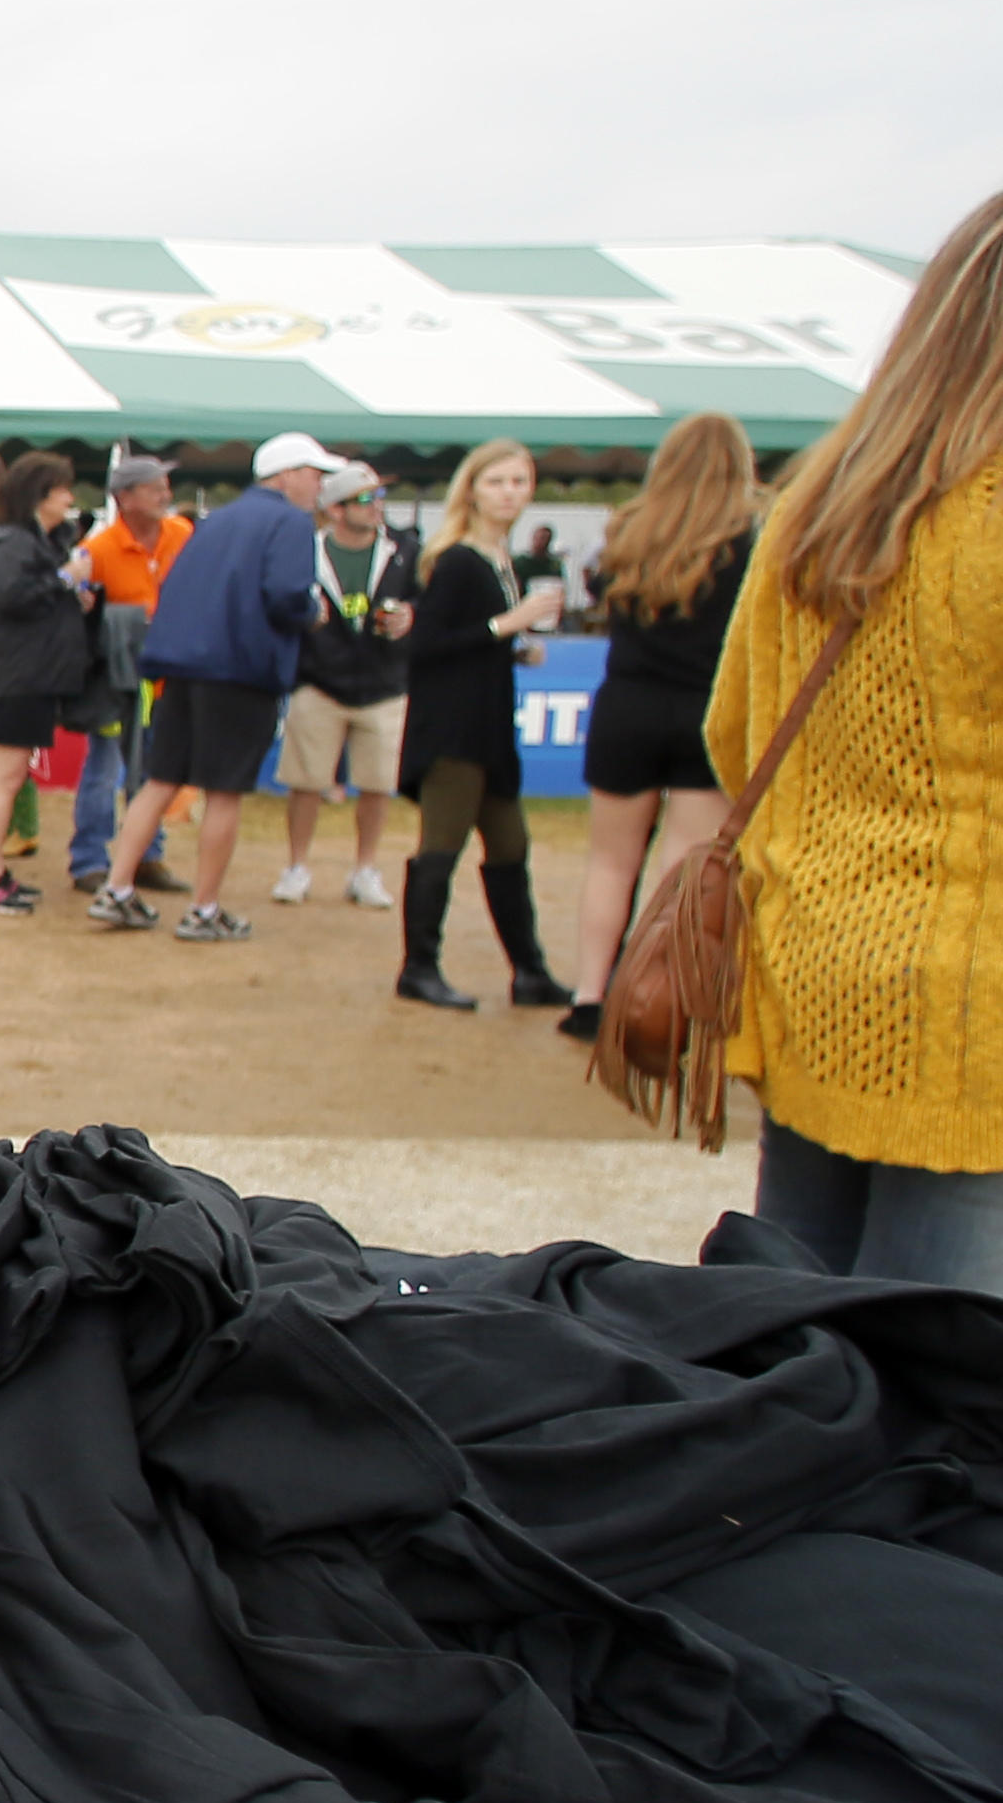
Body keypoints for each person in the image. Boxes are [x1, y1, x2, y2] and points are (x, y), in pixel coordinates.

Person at [706, 193, 1001, 1284]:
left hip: (812, 956)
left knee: (782, 1340)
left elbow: (731, 727)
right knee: (941, 1388)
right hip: (970, 1005)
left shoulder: (821, 494)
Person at [82, 432, 339, 944]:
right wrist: (313, 614)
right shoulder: (290, 522)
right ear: (286, 474)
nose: (320, 485)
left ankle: (116, 888)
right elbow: (289, 595)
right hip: (240, 672)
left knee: (161, 779)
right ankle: (203, 908)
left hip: (183, 665)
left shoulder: (216, 519)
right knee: (224, 790)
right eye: (314, 474)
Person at [563, 411, 756, 1042]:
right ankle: (653, 998)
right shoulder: (749, 544)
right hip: (708, 711)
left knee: (610, 863)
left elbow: (594, 591)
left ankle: (589, 996)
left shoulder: (625, 533)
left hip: (628, 707)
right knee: (682, 871)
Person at [394, 437, 572, 1011]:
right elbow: (428, 645)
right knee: (440, 848)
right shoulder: (457, 559)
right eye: (498, 481)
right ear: (472, 488)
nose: (510, 493)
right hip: (452, 731)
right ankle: (418, 968)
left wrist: (515, 646)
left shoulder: (501, 560)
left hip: (490, 728)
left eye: (520, 482)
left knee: (510, 846)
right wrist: (505, 626)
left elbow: (474, 640)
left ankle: (530, 971)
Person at [272, 461, 414, 909]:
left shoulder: (404, 551)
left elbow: (425, 600)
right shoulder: (305, 551)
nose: (377, 508)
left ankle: (365, 869)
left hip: (385, 683)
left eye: (379, 498)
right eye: (365, 499)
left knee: (377, 784)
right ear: (335, 510)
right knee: (306, 782)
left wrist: (412, 616)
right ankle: (296, 866)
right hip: (317, 681)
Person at [0, 453, 90, 916]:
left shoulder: (36, 541)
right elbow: (14, 595)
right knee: (4, 777)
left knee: (9, 778)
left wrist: (71, 593)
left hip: (26, 676)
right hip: (12, 677)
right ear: (41, 494)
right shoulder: (14, 542)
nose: (70, 499)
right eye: (63, 490)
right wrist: (63, 579)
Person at [68, 452, 193, 897]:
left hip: (168, 678)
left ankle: (148, 855)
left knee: (156, 771)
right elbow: (78, 604)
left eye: (164, 485)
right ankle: (89, 860)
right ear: (125, 497)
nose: (165, 495)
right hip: (114, 680)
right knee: (104, 767)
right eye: (153, 487)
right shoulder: (99, 550)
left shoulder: (182, 534)